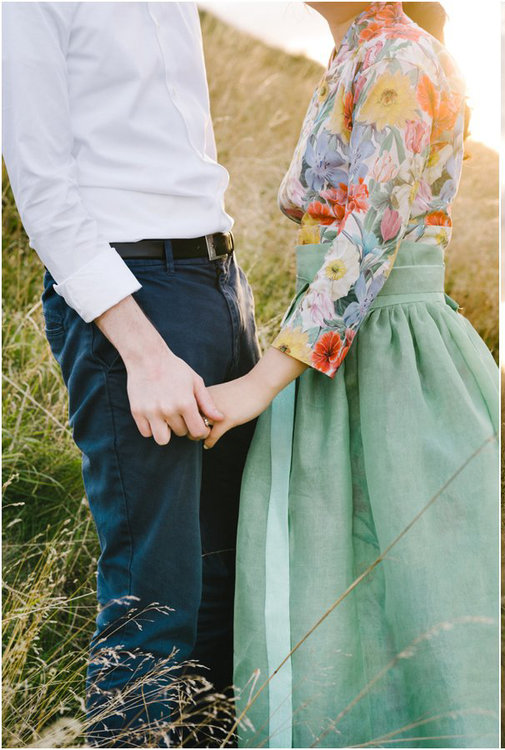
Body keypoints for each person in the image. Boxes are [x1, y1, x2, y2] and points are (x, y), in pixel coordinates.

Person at [198, 3, 499, 747]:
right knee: (336, 584)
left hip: (389, 349)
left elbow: (371, 233)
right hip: (346, 343)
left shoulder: (397, 55)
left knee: (414, 587)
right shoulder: (357, 51)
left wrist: (262, 381)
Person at [2, 2, 259, 745]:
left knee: (222, 584)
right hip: (134, 299)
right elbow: (43, 187)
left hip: (219, 282)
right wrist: (143, 353)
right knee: (156, 595)